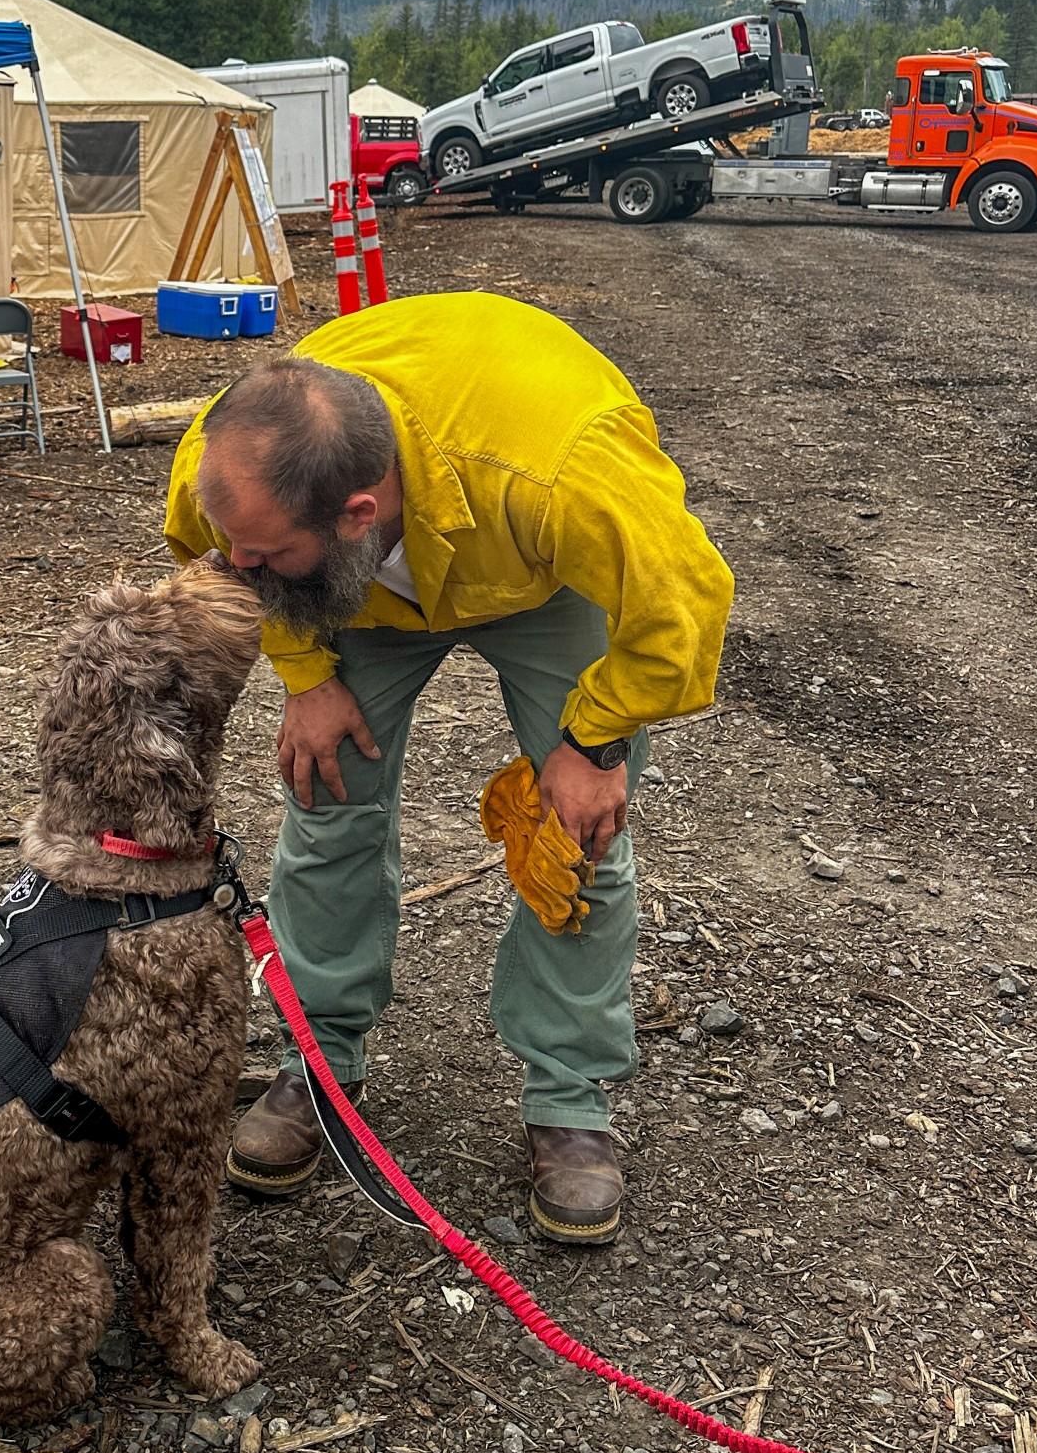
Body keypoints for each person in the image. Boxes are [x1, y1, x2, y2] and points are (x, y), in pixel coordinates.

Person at [164, 292, 733, 1246]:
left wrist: (593, 744)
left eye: (265, 556)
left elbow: (681, 604)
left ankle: (569, 1097)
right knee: (326, 798)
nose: (240, 565)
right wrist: (304, 675)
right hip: (358, 599)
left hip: (529, 570)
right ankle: (320, 1057)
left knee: (577, 837)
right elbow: (213, 557)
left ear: (357, 512)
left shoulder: (563, 470)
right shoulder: (224, 474)